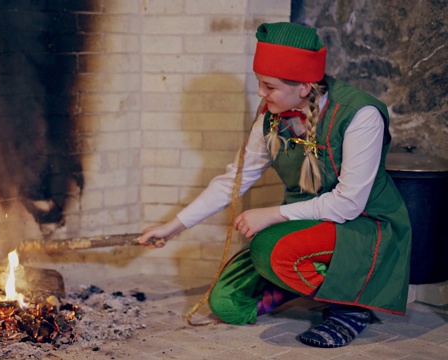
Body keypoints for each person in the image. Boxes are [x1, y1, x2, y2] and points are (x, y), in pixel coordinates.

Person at [139, 22, 411, 348]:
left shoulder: (360, 116)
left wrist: (272, 214)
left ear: (305, 88)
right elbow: (233, 180)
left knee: (269, 248)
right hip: (306, 223)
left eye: (269, 86)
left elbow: (348, 204)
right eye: (259, 83)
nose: (260, 93)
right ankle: (295, 274)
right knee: (228, 303)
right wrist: (173, 227)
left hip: (363, 226)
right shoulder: (272, 115)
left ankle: (352, 306)